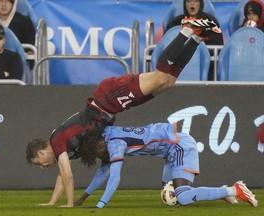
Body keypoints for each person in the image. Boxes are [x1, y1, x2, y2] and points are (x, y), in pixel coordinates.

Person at [26, 19, 222, 208]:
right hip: (113, 104)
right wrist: (53, 202)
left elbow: (67, 175)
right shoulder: (62, 145)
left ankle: (186, 30)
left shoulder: (58, 142)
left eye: (39, 163)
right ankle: (197, 38)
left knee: (159, 76)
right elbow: (63, 173)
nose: (43, 167)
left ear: (42, 152)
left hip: (108, 98)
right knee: (167, 82)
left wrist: (69, 204)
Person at [73, 123, 258, 208]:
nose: (101, 157)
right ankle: (221, 192)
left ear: (99, 146)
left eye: (98, 154)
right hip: (170, 150)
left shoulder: (114, 145)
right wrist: (84, 196)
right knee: (168, 192)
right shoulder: (106, 135)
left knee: (183, 197)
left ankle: (235, 190)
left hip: (179, 146)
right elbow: (102, 172)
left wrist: (101, 204)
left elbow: (114, 177)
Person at [164, 0, 224, 80]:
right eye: (188, 1)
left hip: (203, 63)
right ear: (185, 4)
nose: (192, 3)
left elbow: (217, 45)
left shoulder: (210, 21)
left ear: (201, 4)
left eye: (195, 1)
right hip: (177, 62)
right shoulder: (176, 22)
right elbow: (166, 44)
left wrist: (197, 54)